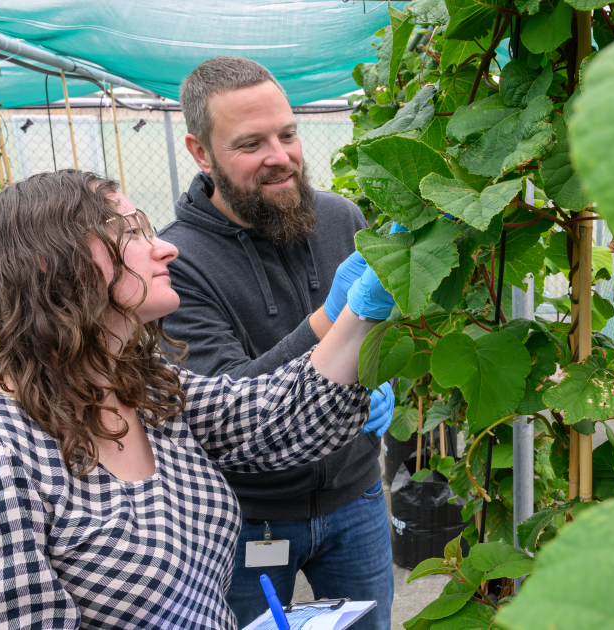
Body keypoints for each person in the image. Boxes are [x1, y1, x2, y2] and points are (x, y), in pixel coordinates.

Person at [0, 170, 397, 629]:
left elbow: (275, 419)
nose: (165, 248)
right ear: (50, 264)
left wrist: (361, 312)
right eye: (130, 233)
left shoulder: (145, 392)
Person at [158, 56, 394, 628]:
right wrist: (328, 321)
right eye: (251, 143)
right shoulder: (176, 263)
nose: (280, 157)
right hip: (249, 518)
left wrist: (384, 378)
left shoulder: (341, 219)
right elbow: (222, 402)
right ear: (200, 152)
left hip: (356, 495)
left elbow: (382, 334)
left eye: (287, 135)